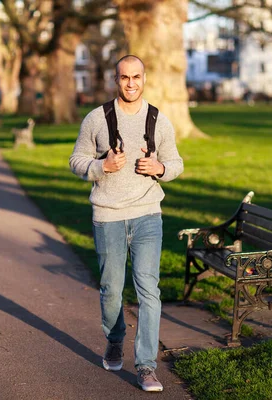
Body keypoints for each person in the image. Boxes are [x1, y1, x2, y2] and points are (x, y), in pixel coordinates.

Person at [69, 55, 183, 392]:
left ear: (144, 78)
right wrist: (101, 166)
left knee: (149, 290)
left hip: (148, 214)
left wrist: (160, 169)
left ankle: (147, 366)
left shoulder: (157, 119)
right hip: (108, 216)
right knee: (111, 290)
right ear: (115, 80)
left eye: (136, 77)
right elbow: (76, 160)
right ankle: (115, 339)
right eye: (124, 77)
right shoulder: (97, 118)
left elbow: (176, 162)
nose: (130, 83)